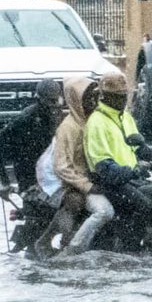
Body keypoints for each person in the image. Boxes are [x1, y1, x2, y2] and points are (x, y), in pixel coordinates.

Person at [81, 70, 152, 250]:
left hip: (130, 178)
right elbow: (104, 168)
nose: (123, 101)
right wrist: (134, 171)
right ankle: (132, 252)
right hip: (110, 183)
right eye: (118, 97)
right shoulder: (96, 123)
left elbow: (140, 148)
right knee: (146, 206)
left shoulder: (126, 117)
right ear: (105, 96)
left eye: (125, 96)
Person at [0, 80, 66, 252]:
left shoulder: (57, 114)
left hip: (49, 172)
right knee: (34, 217)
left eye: (57, 101)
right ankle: (28, 254)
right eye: (50, 102)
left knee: (49, 215)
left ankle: (34, 249)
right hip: (27, 173)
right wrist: (4, 181)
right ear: (39, 99)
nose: (54, 106)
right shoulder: (26, 117)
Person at [52, 76, 105, 254]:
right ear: (75, 100)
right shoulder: (68, 128)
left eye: (94, 97)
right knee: (102, 211)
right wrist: (87, 186)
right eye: (87, 98)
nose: (92, 102)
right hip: (74, 185)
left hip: (98, 179)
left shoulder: (93, 122)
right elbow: (61, 166)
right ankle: (72, 248)